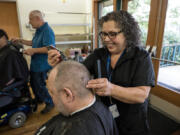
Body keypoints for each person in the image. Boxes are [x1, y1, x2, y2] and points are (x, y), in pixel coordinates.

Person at [48, 10, 155, 135]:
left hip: (132, 122)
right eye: (103, 34)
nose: (106, 39)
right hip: (106, 117)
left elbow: (141, 95)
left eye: (112, 34)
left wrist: (111, 89)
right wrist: (61, 64)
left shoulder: (141, 57)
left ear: (127, 33)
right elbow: (76, 72)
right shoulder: (99, 54)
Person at [35, 61, 119, 135]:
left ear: (67, 95)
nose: (51, 97)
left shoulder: (76, 130)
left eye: (52, 93)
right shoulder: (103, 108)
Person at [12, 10, 55, 114]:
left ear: (37, 19)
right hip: (36, 64)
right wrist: (20, 40)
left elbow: (50, 48)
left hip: (42, 65)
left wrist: (33, 51)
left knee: (39, 85)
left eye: (30, 19)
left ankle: (50, 102)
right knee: (33, 83)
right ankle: (40, 99)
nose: (29, 22)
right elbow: (34, 43)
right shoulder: (39, 30)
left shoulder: (47, 31)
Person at [0, 29, 29, 107]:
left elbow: (11, 75)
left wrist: (6, 81)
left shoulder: (10, 52)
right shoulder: (5, 50)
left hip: (13, 79)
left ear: (2, 38)